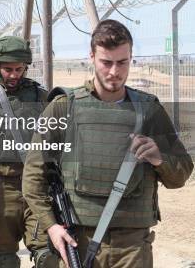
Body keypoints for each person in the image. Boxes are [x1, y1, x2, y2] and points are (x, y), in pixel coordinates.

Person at [22, 19, 194, 268]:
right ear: (91, 57)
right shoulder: (63, 108)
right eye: (106, 62)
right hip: (78, 241)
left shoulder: (149, 110)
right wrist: (51, 227)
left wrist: (159, 159)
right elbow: (33, 176)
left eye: (122, 62)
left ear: (131, 58)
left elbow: (181, 175)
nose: (114, 72)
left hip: (133, 245)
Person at [0, 36, 55, 268]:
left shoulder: (44, 99)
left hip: (37, 187)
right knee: (5, 260)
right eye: (8, 69)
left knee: (48, 256)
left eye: (19, 69)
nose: (14, 75)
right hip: (0, 190)